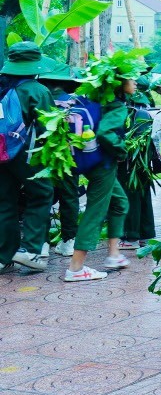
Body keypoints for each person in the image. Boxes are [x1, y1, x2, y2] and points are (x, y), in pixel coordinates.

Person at [64, 58, 142, 282]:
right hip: (103, 165)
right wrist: (122, 151)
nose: (135, 82)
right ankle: (76, 268)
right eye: (131, 78)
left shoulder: (98, 101)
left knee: (120, 203)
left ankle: (114, 255)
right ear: (118, 83)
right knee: (95, 212)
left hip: (90, 160)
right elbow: (107, 134)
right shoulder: (117, 106)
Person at [0, 43, 59, 273]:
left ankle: (3, 256)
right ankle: (30, 250)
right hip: (26, 154)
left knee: (4, 202)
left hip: (1, 153)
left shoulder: (2, 86)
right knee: (42, 193)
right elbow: (49, 127)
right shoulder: (37, 90)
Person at [38, 63, 85, 257]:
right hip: (70, 158)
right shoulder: (77, 102)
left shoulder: (41, 100)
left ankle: (42, 244)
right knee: (70, 197)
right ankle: (69, 240)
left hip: (43, 157)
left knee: (43, 198)